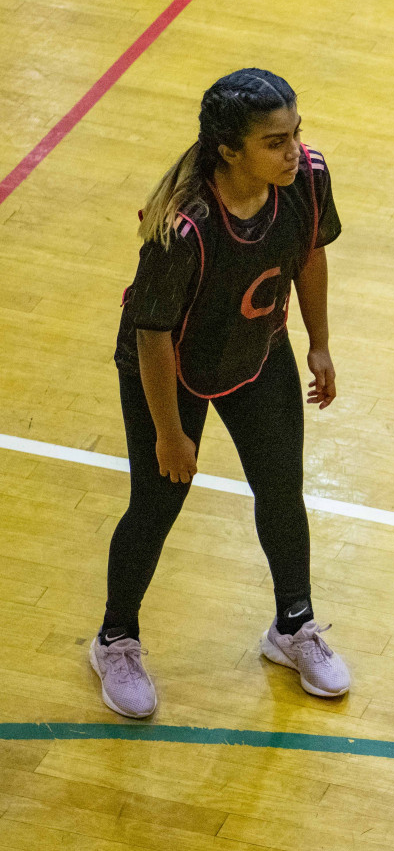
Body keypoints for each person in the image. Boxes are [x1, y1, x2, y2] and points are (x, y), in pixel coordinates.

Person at [92, 68, 351, 719]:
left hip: (257, 349)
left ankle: (293, 627)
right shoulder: (185, 227)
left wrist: (319, 343)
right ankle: (115, 640)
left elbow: (310, 257)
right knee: (157, 504)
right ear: (230, 150)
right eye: (274, 142)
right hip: (169, 370)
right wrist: (170, 434)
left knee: (281, 486)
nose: (293, 151)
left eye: (296, 133)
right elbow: (152, 337)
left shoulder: (306, 179)